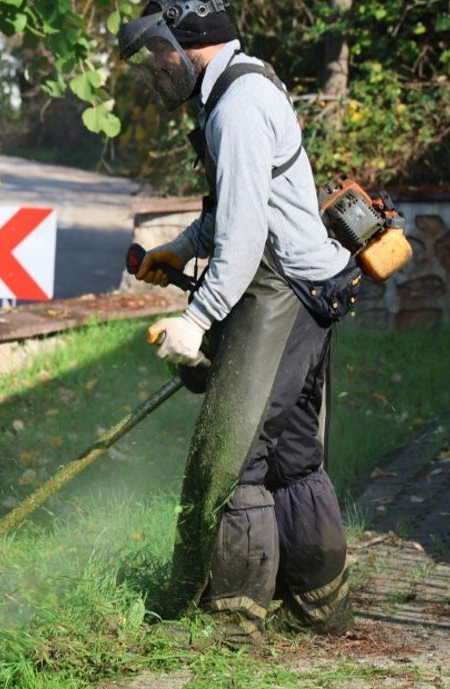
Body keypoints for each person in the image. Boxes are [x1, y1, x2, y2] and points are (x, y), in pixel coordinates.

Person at [118, 0, 358, 643]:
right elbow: (232, 209)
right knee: (293, 455)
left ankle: (232, 625)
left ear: (188, 40)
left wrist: (196, 320)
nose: (153, 66)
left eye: (156, 51)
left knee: (237, 454)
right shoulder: (236, 86)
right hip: (305, 289)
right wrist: (179, 249)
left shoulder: (239, 107)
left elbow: (248, 234)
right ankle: (317, 607)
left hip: (288, 293)